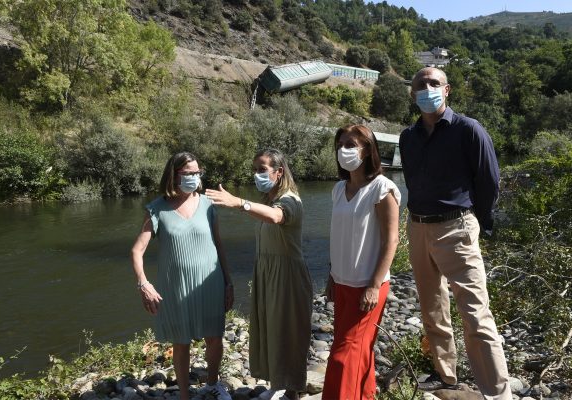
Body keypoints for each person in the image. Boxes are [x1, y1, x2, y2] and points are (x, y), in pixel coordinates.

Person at [399, 67, 512, 399]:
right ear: (413, 94)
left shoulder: (468, 130)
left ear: (447, 90)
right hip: (417, 227)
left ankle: (497, 393)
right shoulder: (408, 137)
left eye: (434, 83)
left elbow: (489, 181)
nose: (427, 88)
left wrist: (477, 221)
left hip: (456, 225)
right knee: (432, 308)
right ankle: (446, 376)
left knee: (475, 313)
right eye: (421, 84)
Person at [206, 149, 312, 400]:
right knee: (270, 328)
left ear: (279, 172)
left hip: (287, 277)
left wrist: (239, 202)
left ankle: (292, 392)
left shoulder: (290, 200)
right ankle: (278, 383)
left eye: (262, 169)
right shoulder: (269, 201)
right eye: (254, 169)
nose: (257, 174)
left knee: (288, 331)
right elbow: (268, 213)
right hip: (267, 273)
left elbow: (277, 217)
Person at [131, 152, 234, 400]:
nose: (194, 177)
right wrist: (143, 283)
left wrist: (229, 282)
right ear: (174, 175)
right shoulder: (157, 208)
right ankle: (185, 395)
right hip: (175, 287)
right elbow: (136, 251)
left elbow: (219, 245)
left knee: (214, 336)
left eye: (197, 172)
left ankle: (213, 383)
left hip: (210, 282)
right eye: (188, 173)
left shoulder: (208, 205)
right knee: (181, 342)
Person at [322, 124, 401, 400]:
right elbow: (339, 237)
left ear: (367, 150)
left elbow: (391, 241)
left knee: (343, 355)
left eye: (351, 145)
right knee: (359, 349)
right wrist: (332, 276)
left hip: (367, 286)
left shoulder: (382, 188)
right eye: (340, 144)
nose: (343, 150)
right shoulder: (338, 189)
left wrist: (374, 285)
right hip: (342, 283)